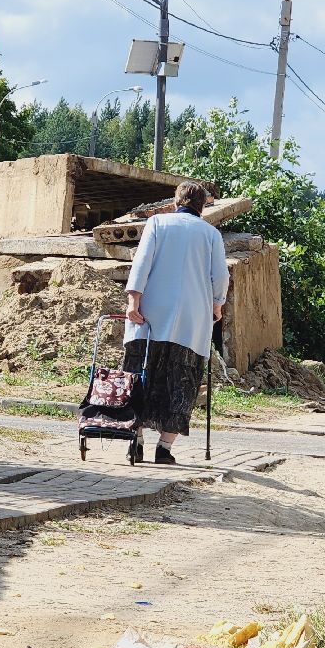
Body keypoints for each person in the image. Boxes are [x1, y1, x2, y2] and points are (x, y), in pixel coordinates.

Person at [123, 180, 229, 465]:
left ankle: (138, 440)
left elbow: (141, 263)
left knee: (141, 375)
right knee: (181, 380)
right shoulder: (211, 234)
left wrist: (133, 302)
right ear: (203, 206)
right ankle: (164, 448)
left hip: (151, 315)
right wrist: (217, 305)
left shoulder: (158, 224)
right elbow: (220, 277)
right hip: (191, 321)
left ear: (175, 201)